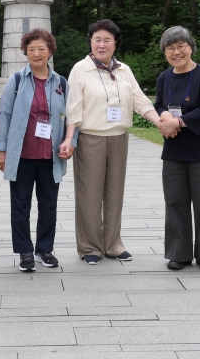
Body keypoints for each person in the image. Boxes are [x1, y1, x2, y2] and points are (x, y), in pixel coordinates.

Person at [60, 19, 162, 265]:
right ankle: (90, 246)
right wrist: (69, 139)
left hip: (118, 138)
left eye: (107, 40)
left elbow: (139, 100)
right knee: (90, 195)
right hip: (91, 138)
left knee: (115, 193)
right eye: (97, 40)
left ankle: (113, 244)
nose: (101, 45)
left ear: (116, 43)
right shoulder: (80, 69)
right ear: (90, 43)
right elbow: (73, 107)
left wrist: (160, 123)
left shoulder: (124, 70)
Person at [0, 28, 78, 272]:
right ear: (25, 52)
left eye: (42, 48)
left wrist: (71, 142)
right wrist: (2, 149)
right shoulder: (17, 80)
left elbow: (72, 116)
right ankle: (25, 252)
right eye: (31, 49)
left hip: (51, 156)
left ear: (50, 51)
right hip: (22, 155)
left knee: (48, 205)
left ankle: (44, 249)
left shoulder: (61, 83)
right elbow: (4, 114)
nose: (36, 53)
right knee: (20, 205)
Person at [154, 26, 200, 273]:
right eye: (170, 48)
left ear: (191, 47)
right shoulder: (164, 78)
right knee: (175, 204)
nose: (176, 52)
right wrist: (165, 117)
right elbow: (159, 104)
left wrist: (178, 123)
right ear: (165, 52)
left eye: (181, 46)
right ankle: (179, 254)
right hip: (174, 152)